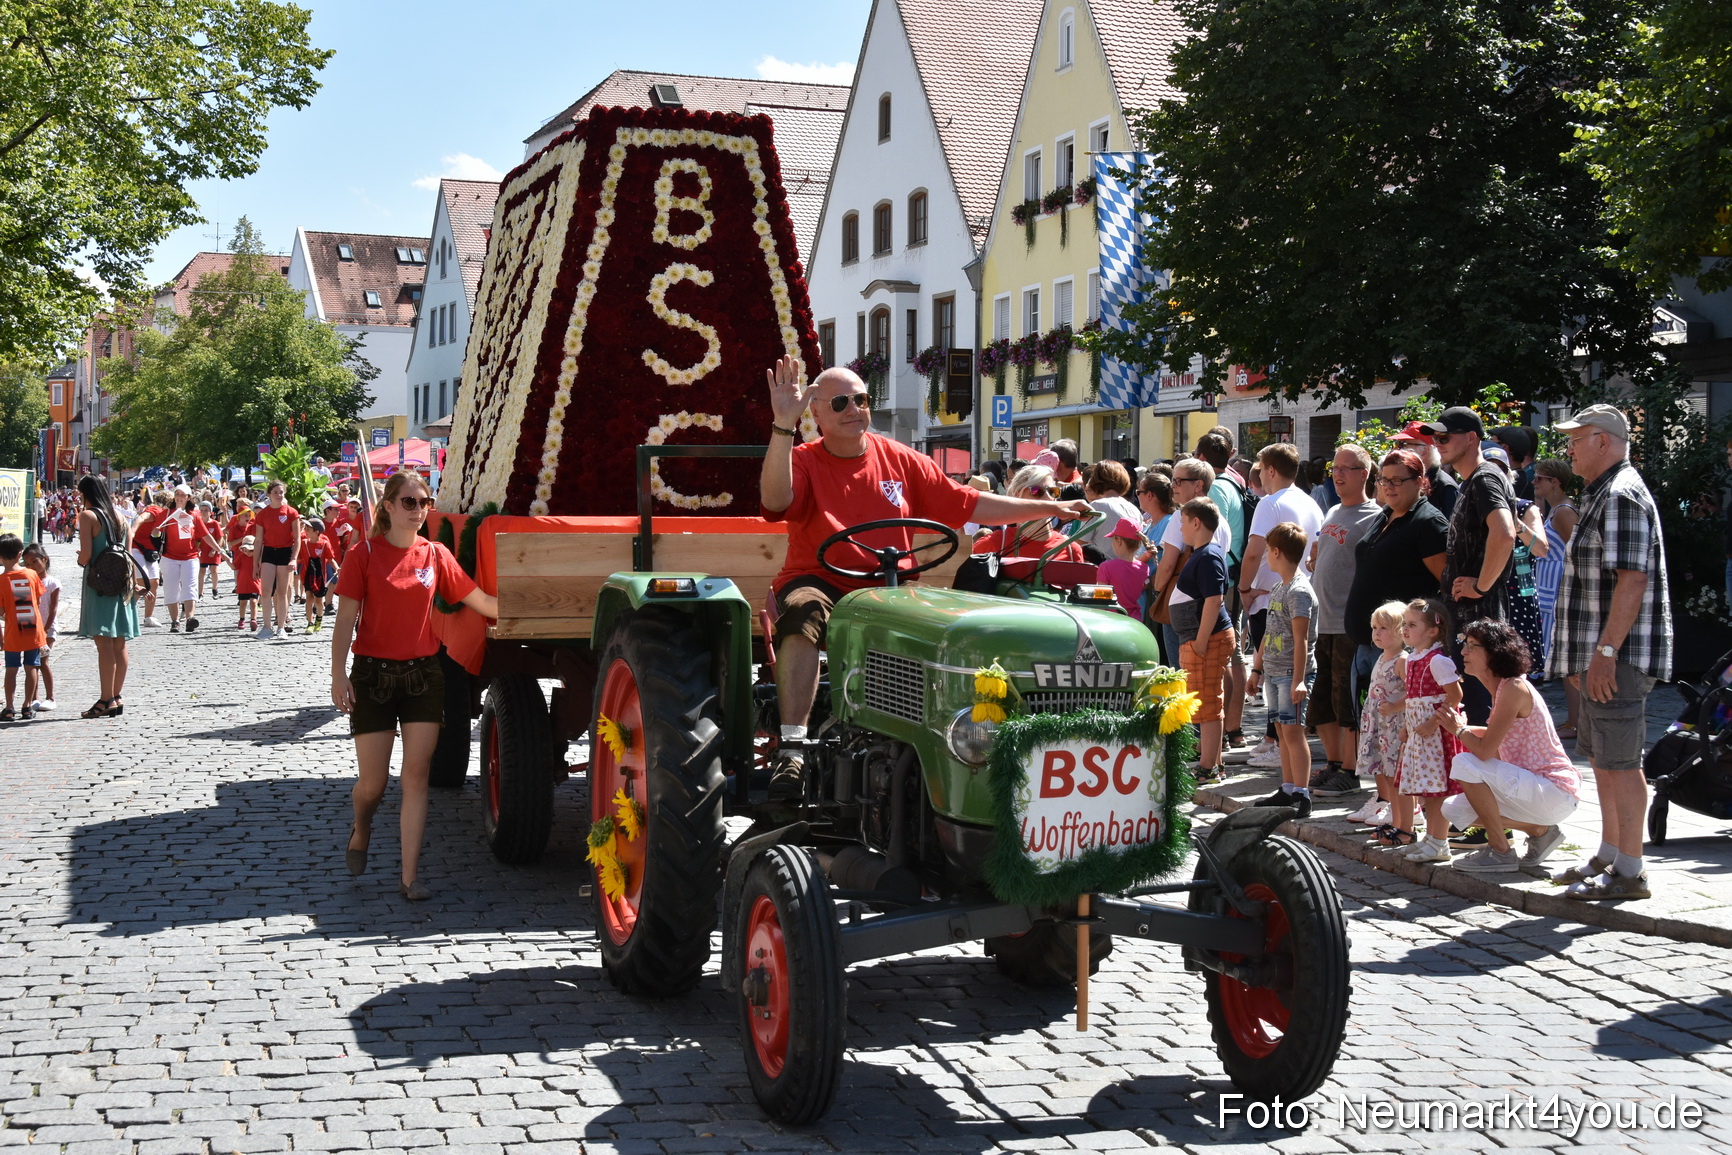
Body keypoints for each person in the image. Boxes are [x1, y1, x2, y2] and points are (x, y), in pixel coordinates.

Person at [759, 358, 1089, 800]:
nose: (855, 408)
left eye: (862, 398)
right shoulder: (802, 458)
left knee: (947, 627)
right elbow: (775, 501)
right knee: (804, 612)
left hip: (886, 585)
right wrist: (782, 426)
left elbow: (969, 504)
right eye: (841, 402)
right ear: (814, 414)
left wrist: (1050, 508)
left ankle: (958, 742)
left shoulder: (897, 457)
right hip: (819, 577)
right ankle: (794, 747)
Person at [332, 470, 499, 901]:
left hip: (425, 675)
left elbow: (478, 601)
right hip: (372, 677)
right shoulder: (364, 554)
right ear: (387, 506)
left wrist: (537, 603)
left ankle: (409, 878)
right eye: (409, 502)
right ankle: (363, 824)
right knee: (373, 785)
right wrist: (338, 675)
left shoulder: (436, 554)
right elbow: (345, 621)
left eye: (424, 502)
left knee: (416, 778)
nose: (419, 510)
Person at [1548, 404, 1671, 901]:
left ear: (1603, 441)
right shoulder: (1603, 492)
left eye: (1575, 440)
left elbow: (1632, 580)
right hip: (1601, 654)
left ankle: (1630, 870)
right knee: (1602, 758)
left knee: (1621, 761)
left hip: (1616, 655)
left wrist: (1603, 651)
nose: (1568, 450)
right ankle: (1609, 855)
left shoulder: (1619, 494)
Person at [1435, 619, 1579, 872]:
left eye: (1471, 646)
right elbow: (1497, 737)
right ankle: (1539, 830)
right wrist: (1457, 728)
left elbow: (1484, 750)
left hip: (1554, 790)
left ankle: (1500, 850)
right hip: (1533, 788)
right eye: (1464, 644)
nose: (1463, 652)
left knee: (1464, 762)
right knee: (1453, 810)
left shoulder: (1513, 687)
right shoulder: (1502, 688)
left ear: (1494, 652)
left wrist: (1459, 729)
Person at [1424, 405, 1515, 724]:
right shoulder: (1473, 480)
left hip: (1478, 619)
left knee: (1478, 714)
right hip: (1468, 619)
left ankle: (1484, 775)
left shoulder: (1484, 478)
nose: (1438, 442)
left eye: (1445, 436)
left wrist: (1481, 585)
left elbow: (1505, 534)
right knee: (1472, 712)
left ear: (1473, 437)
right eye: (1435, 437)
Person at [1238, 444, 1323, 769]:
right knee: (1276, 672)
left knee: (1278, 672)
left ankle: (1279, 745)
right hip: (1299, 593)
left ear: (1270, 470)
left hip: (1271, 596)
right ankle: (1273, 740)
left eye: (1260, 468)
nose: (1258, 474)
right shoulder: (1311, 502)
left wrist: (1245, 589)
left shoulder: (1269, 503)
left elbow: (1254, 551)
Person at [1305, 444, 1381, 797]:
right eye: (1335, 468)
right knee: (1322, 703)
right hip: (1323, 622)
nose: (1337, 474)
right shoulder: (1333, 509)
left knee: (1348, 703)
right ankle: (1334, 764)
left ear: (1364, 474)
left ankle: (1351, 772)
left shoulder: (1374, 516)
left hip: (1350, 624)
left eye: (1346, 468)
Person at [1249, 522, 1316, 815]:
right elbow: (1268, 632)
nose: (1266, 555)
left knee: (1293, 732)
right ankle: (1287, 788)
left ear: (1276, 552)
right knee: (1280, 729)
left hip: (1291, 674)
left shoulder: (1299, 591)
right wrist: (1257, 668)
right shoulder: (1278, 587)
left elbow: (1301, 639)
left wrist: (1299, 680)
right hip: (1274, 673)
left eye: (1267, 550)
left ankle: (1301, 793)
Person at [1391, 598, 1463, 862]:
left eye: (1411, 624)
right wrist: (1407, 729)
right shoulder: (1413, 659)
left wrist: (1433, 722)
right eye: (1403, 624)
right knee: (1428, 791)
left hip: (1436, 735)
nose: (1404, 630)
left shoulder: (1438, 661)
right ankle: (1432, 840)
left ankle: (1440, 842)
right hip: (1421, 735)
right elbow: (1414, 701)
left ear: (1433, 630)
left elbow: (1454, 695)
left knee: (1439, 791)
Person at [1194, 428, 1250, 748]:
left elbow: (1212, 536)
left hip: (1220, 577)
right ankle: (1234, 728)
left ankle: (1224, 731)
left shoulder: (1215, 489)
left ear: (1201, 458)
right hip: (1233, 571)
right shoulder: (1235, 482)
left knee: (1222, 655)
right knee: (1235, 654)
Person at [1172, 497, 1234, 780]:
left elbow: (1214, 599)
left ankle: (1209, 766)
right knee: (1208, 701)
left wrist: (1200, 640)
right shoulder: (1203, 552)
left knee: (1208, 704)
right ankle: (1214, 763)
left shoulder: (1208, 555)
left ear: (1196, 522)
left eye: (1183, 522)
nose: (1181, 528)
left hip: (1207, 640)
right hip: (1201, 638)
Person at [1150, 460, 1232, 675]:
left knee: (1182, 674)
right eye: (1172, 480)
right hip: (1206, 606)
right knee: (1211, 674)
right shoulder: (1219, 519)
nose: (1173, 486)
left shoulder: (1182, 515)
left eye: (1178, 481)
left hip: (1185, 604)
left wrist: (1157, 589)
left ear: (1198, 485)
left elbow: (1167, 564)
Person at [75, 475, 139, 717]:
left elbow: (86, 558)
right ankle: (116, 696)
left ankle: (105, 699)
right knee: (119, 643)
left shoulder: (88, 516)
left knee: (103, 644)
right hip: (122, 583)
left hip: (100, 584)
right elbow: (129, 555)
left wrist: (80, 556)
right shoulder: (121, 517)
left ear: (85, 494)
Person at [1348, 601, 1409, 828]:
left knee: (1395, 770)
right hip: (1378, 723)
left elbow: (1413, 694)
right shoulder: (1381, 657)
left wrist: (1395, 707)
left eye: (1383, 628)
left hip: (1393, 724)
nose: (1376, 633)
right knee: (1382, 766)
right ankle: (1392, 807)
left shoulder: (1402, 660)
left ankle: (1404, 812)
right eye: (1374, 628)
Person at [1532, 458, 1580, 734]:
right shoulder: (1552, 510)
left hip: (1560, 591)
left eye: (1540, 478)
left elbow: (1577, 553)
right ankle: (1575, 720)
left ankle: (1577, 722)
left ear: (1555, 482)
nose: (1535, 482)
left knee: (1568, 660)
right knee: (1563, 660)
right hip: (1550, 592)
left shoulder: (1563, 511)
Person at [971, 465, 1085, 561]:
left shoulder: (1070, 550)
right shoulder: (992, 544)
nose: (1048, 498)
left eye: (1053, 492)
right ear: (1017, 494)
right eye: (1037, 491)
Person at [157, 485, 225, 633]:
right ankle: (175, 621)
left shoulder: (194, 515)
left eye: (183, 495)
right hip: (169, 557)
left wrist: (219, 550)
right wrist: (155, 532)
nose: (179, 497)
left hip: (190, 557)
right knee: (171, 589)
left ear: (188, 497)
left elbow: (205, 535)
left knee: (190, 587)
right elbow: (155, 534)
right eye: (177, 494)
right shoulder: (167, 513)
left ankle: (190, 619)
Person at [1, 534, 45, 722]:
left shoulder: (2, 580)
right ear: (20, 554)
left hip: (13, 632)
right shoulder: (32, 574)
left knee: (11, 670)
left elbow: (1, 610)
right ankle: (27, 706)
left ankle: (9, 707)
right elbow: (38, 598)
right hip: (32, 629)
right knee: (31, 667)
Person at [252, 481, 301, 640]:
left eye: (281, 492)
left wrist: (294, 559)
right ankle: (266, 627)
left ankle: (281, 627)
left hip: (285, 552)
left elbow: (297, 539)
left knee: (282, 591)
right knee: (265, 591)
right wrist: (255, 564)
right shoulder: (262, 515)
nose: (279, 495)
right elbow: (258, 540)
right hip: (268, 552)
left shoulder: (291, 512)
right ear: (269, 494)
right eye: (275, 492)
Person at [1392, 421, 1459, 517]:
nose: (1399, 450)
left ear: (1425, 450)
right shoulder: (1409, 480)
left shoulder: (1446, 487)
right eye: (1400, 444)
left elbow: (1452, 529)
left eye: (1404, 444)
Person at [20, 544, 58, 712]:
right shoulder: (27, 580)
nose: (32, 566)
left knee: (43, 661)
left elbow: (53, 609)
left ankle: (50, 697)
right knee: (31, 664)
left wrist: (46, 628)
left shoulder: (52, 583)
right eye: (27, 564)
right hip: (31, 629)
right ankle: (34, 698)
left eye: (34, 561)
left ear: (45, 559)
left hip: (47, 630)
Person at [1081, 461, 1141, 560]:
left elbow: (1079, 542)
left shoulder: (1097, 506)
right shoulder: (1134, 509)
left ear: (1096, 479)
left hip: (1104, 569)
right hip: (1128, 569)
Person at [1097, 518, 1149, 620]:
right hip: (1135, 620)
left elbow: (1101, 599)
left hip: (1111, 619)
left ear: (1119, 540)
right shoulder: (1144, 568)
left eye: (1113, 539)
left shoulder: (1106, 566)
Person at [129, 490, 168, 628]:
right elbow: (142, 518)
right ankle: (126, 613)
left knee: (155, 582)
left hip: (149, 550)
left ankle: (148, 617)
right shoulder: (156, 510)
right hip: (136, 547)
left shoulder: (168, 515)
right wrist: (132, 531)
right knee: (142, 581)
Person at [232, 534, 260, 631]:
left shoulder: (258, 557)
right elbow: (234, 566)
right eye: (244, 550)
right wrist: (227, 559)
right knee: (243, 602)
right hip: (243, 582)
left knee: (253, 601)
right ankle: (242, 619)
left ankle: (253, 619)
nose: (246, 552)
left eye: (249, 550)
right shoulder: (242, 557)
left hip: (254, 582)